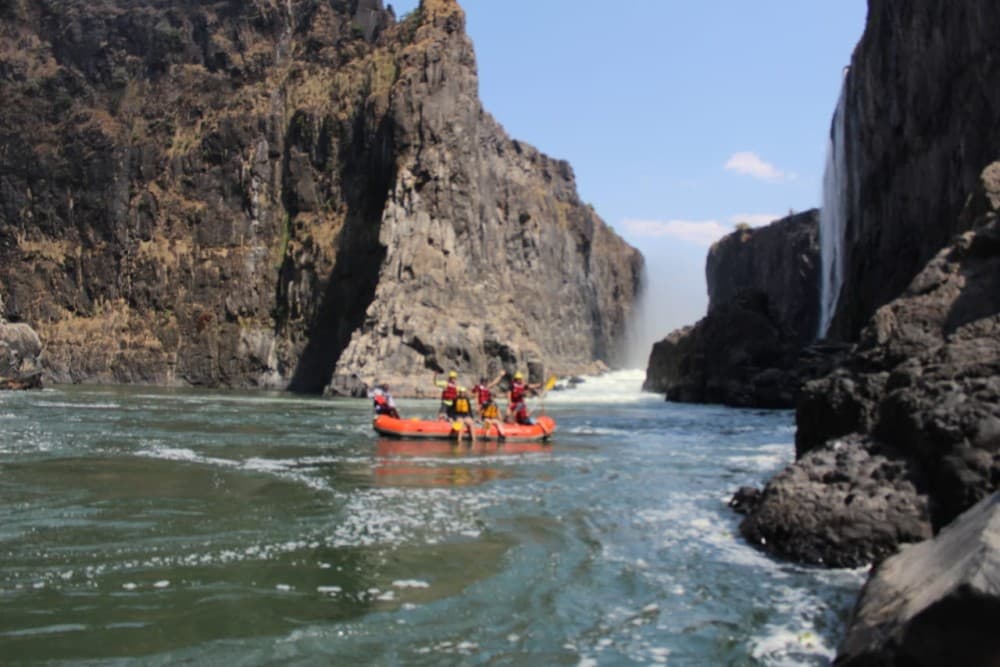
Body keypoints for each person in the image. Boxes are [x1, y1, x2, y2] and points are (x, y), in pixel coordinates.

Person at [473, 372, 505, 437]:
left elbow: (494, 382)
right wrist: (476, 405)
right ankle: (480, 421)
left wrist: (500, 375)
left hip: (487, 404)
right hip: (481, 404)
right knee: (483, 412)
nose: (485, 382)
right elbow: (476, 396)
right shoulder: (478, 387)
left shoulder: (487, 387)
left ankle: (501, 432)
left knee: (492, 409)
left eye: (486, 381)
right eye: (484, 381)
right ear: (481, 381)